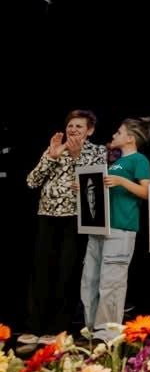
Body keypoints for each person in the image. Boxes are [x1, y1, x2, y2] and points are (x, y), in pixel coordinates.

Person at [24, 109, 106, 347]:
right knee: (41, 270)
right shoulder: (55, 149)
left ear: (89, 131)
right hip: (47, 215)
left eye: (79, 126)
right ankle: (34, 325)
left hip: (76, 218)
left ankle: (57, 327)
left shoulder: (97, 151)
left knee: (66, 272)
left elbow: (95, 182)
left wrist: (78, 155)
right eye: (71, 125)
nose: (73, 130)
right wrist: (51, 156)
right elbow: (31, 181)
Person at [81, 117, 150, 342]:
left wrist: (122, 182)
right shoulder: (113, 163)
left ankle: (108, 334)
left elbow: (148, 192)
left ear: (130, 138)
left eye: (119, 132)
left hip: (121, 227)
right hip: (99, 227)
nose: (114, 135)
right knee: (90, 279)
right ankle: (92, 329)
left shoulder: (138, 159)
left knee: (111, 282)